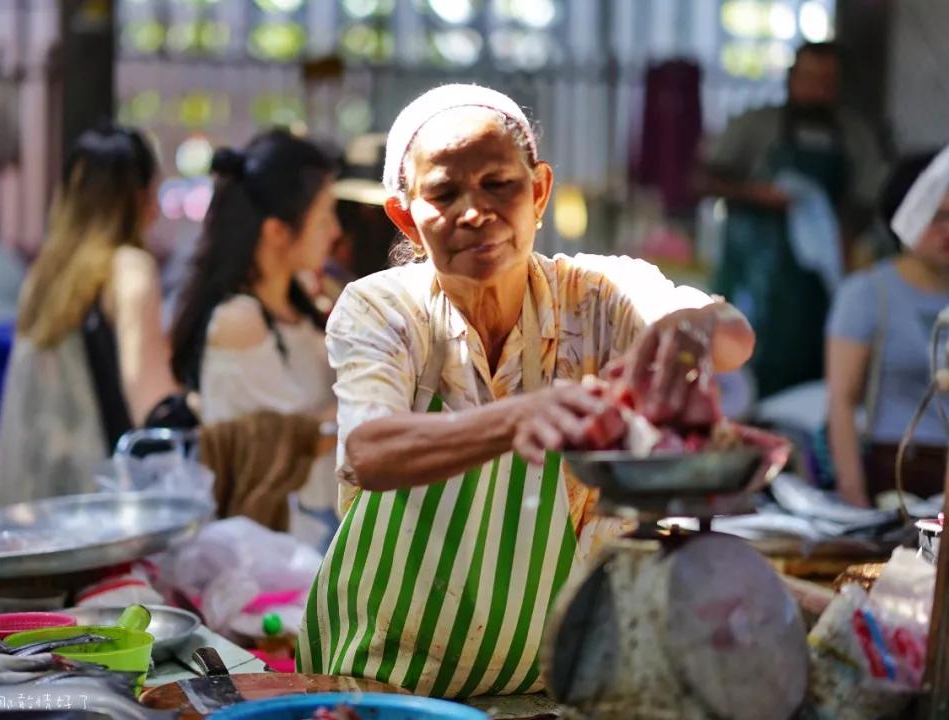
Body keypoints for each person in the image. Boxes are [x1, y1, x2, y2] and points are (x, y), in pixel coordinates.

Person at [297, 84, 754, 698]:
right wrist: (518, 418)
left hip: (548, 685)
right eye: (443, 193)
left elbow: (733, 341)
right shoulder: (384, 309)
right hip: (378, 683)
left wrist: (694, 326)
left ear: (539, 191)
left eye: (498, 184)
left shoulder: (600, 296)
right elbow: (370, 452)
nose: (475, 212)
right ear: (406, 215)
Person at [0, 123, 178, 506]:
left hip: (28, 512)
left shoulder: (44, 276)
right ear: (139, 197)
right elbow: (153, 407)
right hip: (99, 518)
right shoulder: (129, 269)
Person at [170, 130, 342, 546]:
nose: (335, 231)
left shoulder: (301, 302)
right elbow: (298, 437)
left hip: (314, 521)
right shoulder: (240, 319)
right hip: (277, 537)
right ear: (277, 232)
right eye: (323, 217)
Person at [702, 42, 885, 398]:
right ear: (791, 78)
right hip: (752, 278)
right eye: (809, 78)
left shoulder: (855, 137)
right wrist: (759, 194)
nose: (816, 89)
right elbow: (703, 180)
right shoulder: (755, 125)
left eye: (826, 81)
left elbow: (868, 202)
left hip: (819, 287)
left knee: (813, 382)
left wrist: (844, 237)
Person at [827, 151, 949, 506]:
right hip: (895, 477)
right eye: (934, 216)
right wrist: (855, 497)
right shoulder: (866, 294)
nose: (947, 230)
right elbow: (841, 402)